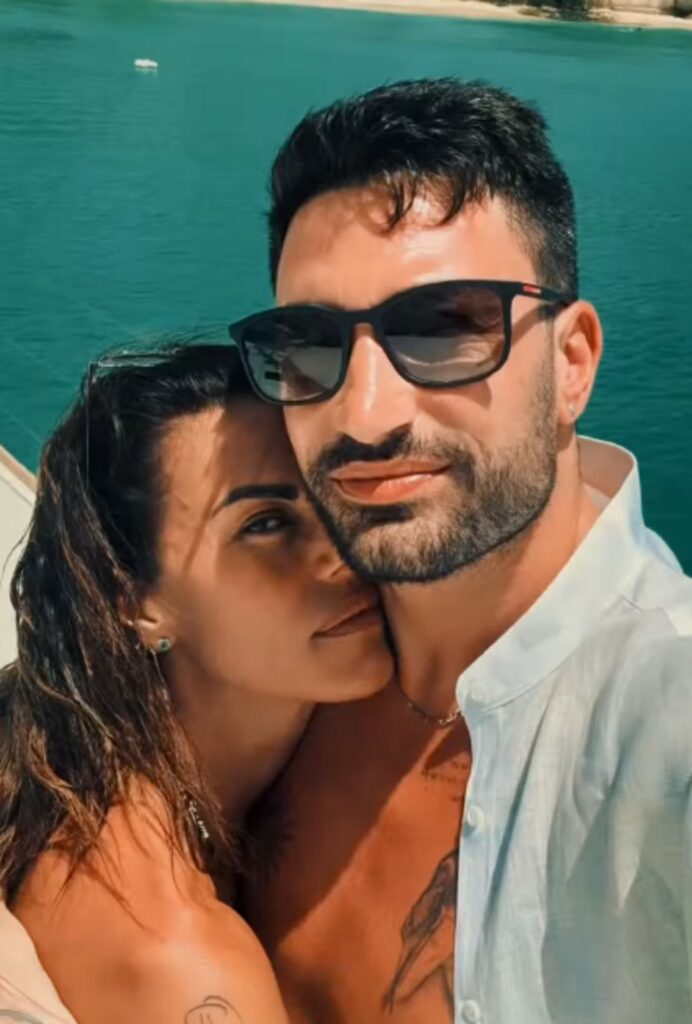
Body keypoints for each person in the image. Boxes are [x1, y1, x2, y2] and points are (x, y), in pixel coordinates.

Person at [230, 79, 692, 1023]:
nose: (364, 415)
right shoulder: (272, 657)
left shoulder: (663, 713)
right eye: (307, 345)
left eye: (444, 328)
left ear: (572, 363)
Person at [0, 343, 393, 1024]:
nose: (342, 548)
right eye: (264, 524)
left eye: (337, 495)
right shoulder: (183, 965)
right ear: (136, 600)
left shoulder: (65, 738)